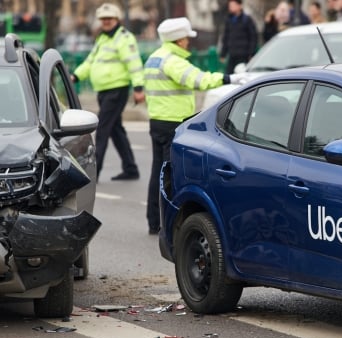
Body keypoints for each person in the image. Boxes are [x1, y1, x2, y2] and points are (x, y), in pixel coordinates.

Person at [143, 17, 245, 234]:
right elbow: (199, 80)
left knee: (157, 172)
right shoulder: (173, 61)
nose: (189, 41)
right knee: (170, 175)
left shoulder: (154, 58)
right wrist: (230, 79)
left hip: (157, 120)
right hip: (173, 122)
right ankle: (167, 224)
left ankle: (153, 220)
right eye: (187, 37)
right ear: (179, 40)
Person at [72, 3, 145, 181]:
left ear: (117, 19)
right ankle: (131, 169)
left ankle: (93, 173)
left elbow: (134, 63)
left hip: (116, 90)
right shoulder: (103, 38)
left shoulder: (124, 38)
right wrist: (75, 76)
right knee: (115, 130)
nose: (106, 22)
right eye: (103, 19)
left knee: (103, 129)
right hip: (104, 91)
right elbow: (90, 62)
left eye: (109, 19)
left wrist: (138, 88)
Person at [220, 0, 258, 74]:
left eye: (233, 5)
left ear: (240, 6)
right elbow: (226, 38)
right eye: (230, 5)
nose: (230, 7)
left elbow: (253, 37)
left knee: (242, 74)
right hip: (232, 54)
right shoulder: (229, 20)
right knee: (229, 75)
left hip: (243, 55)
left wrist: (251, 53)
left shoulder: (247, 20)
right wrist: (223, 54)